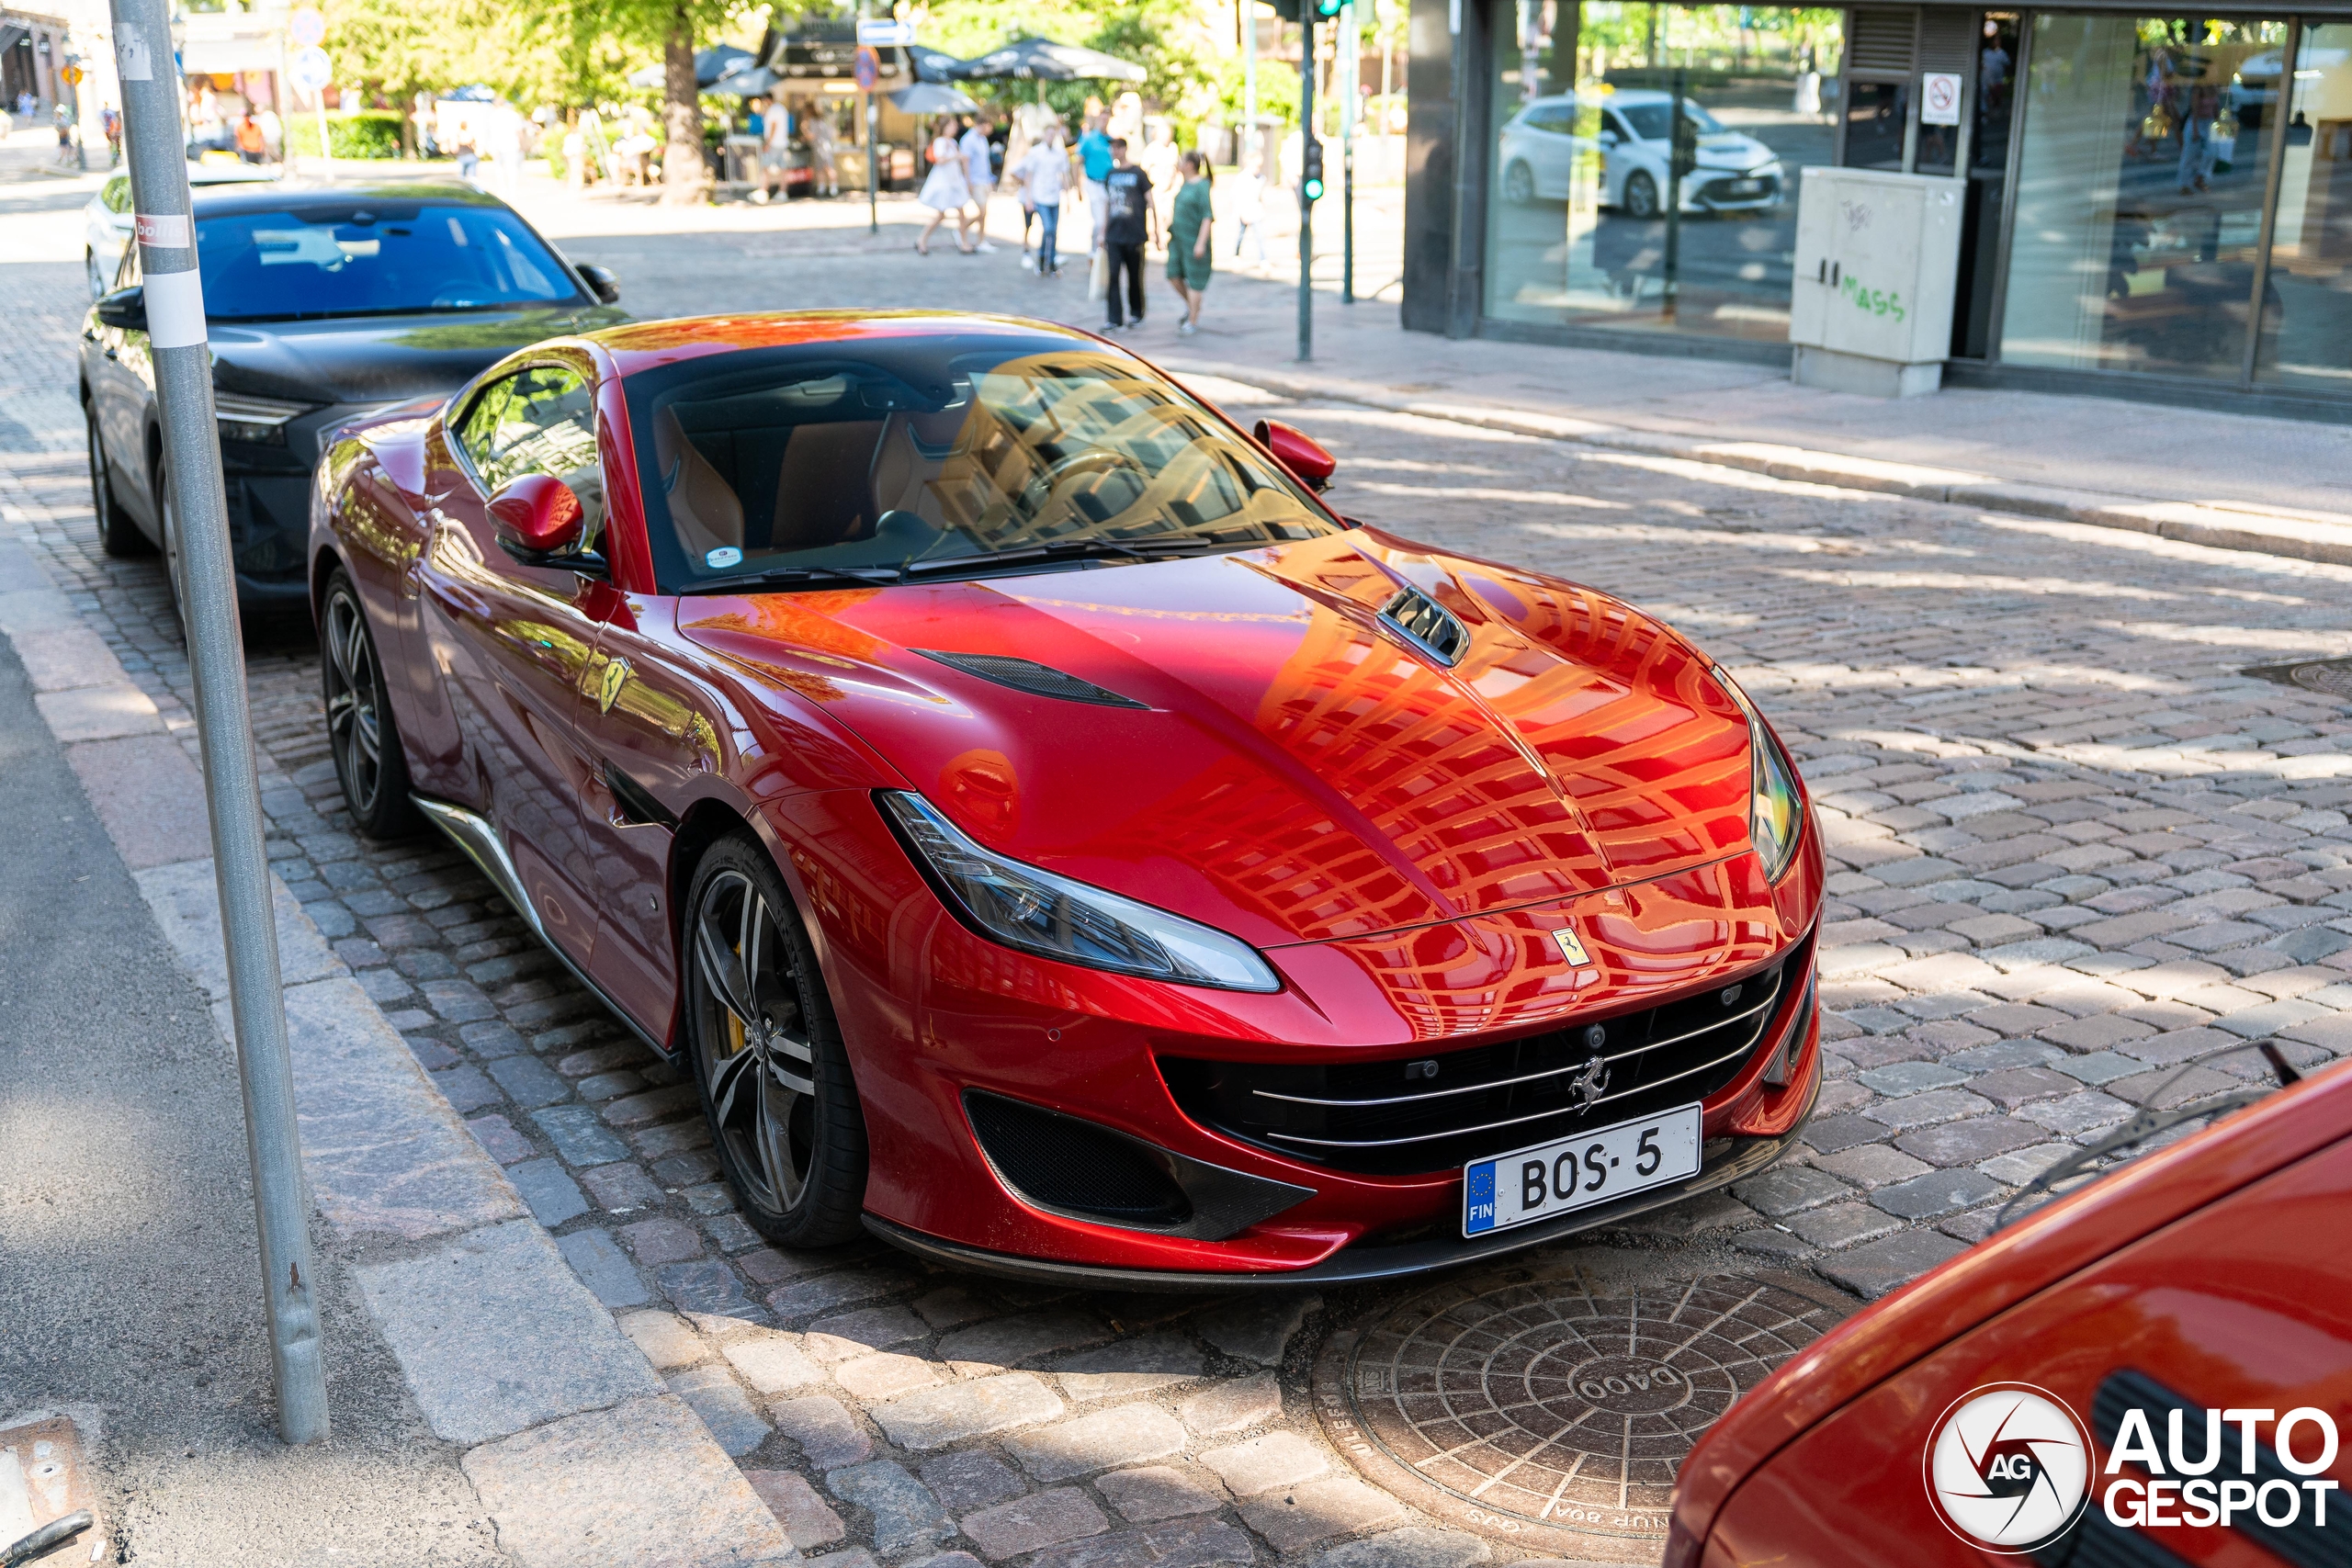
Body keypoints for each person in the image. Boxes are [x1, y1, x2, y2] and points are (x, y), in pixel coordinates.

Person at [1100, 136, 1155, 331]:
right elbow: (1107, 203)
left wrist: (1155, 229)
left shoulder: (1138, 173)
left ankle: (1136, 313)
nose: (1115, 151)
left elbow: (1150, 200)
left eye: (1117, 148)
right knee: (1113, 276)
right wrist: (1102, 231)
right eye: (1112, 148)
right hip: (1114, 234)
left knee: (1135, 276)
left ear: (1124, 149)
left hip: (1135, 234)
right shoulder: (1110, 174)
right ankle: (1114, 318)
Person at [1164, 151, 1213, 335]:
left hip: (1193, 240)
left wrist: (1201, 243)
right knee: (1173, 273)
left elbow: (1207, 216)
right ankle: (1191, 306)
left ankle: (1193, 318)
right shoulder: (1184, 184)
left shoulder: (1202, 185)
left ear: (1190, 165)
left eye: (1181, 161)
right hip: (1178, 239)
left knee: (1195, 280)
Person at [1012, 124, 1069, 277]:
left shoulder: (1059, 154)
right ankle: (1043, 257)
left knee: (1054, 231)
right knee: (1048, 228)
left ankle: (1050, 262)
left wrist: (1069, 196)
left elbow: (1064, 175)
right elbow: (1027, 175)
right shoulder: (1035, 153)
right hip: (1040, 197)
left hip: (1054, 197)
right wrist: (1028, 198)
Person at [916, 117, 975, 255]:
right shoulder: (940, 142)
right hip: (944, 182)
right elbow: (940, 159)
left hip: (954, 180)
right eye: (952, 125)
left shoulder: (953, 142)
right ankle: (922, 239)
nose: (955, 128)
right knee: (941, 214)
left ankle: (963, 242)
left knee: (961, 213)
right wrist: (956, 156)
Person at [960, 114, 998, 253]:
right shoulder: (969, 140)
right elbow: (966, 162)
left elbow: (985, 163)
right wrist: (968, 181)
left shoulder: (983, 140)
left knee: (984, 213)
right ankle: (962, 229)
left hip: (984, 180)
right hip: (975, 180)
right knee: (981, 212)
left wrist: (990, 179)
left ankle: (980, 240)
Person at [1077, 113, 1114, 251]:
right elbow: (1078, 162)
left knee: (1108, 221)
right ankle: (1094, 252)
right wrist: (1078, 187)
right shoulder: (1089, 139)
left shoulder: (1111, 140)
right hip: (1093, 183)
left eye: (1107, 119)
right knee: (1099, 221)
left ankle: (1104, 251)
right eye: (1102, 119)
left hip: (1108, 184)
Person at [807, 109, 838, 197]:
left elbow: (811, 136)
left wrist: (804, 129)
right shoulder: (825, 122)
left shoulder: (813, 122)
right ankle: (829, 188)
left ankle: (827, 188)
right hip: (823, 147)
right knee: (822, 168)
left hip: (821, 147)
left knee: (826, 168)